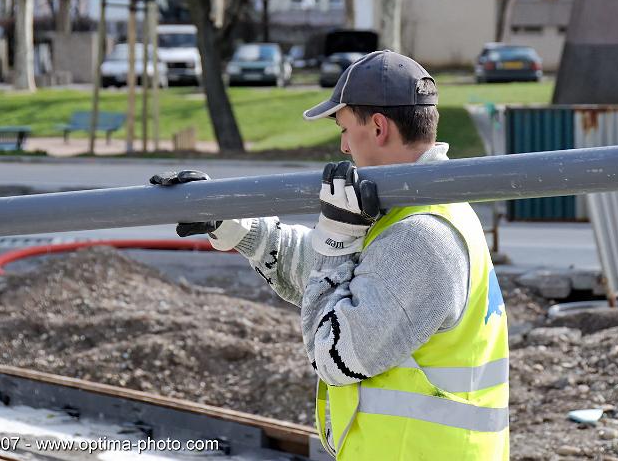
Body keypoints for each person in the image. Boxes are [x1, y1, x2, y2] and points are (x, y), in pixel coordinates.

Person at [150, 50, 509, 460]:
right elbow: (347, 279)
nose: (341, 145)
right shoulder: (419, 209)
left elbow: (334, 352)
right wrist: (237, 227)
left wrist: (337, 239)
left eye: (344, 128)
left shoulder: (421, 238)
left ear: (377, 127)